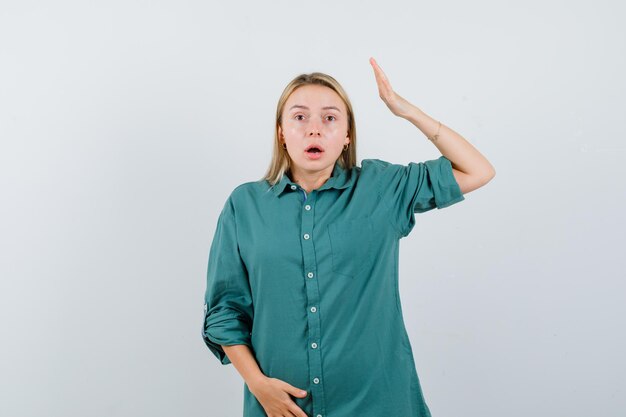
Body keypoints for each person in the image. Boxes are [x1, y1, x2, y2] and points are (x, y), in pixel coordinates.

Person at [202, 57, 495, 417]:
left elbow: (477, 170)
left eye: (329, 118)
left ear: (347, 136)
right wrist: (259, 386)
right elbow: (225, 310)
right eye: (299, 117)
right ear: (281, 132)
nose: (314, 129)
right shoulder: (244, 205)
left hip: (378, 404)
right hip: (283, 408)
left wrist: (407, 111)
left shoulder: (382, 189)